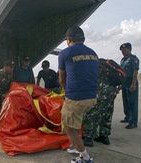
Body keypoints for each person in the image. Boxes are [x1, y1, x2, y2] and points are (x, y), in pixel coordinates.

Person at [58, 26, 98, 163]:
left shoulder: (64, 53)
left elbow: (61, 79)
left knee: (69, 129)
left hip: (76, 97)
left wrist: (66, 93)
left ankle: (85, 158)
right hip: (92, 97)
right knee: (76, 122)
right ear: (83, 39)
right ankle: (77, 145)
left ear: (68, 39)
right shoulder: (93, 53)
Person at [82, 59, 121, 147]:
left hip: (103, 92)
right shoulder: (103, 64)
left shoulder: (93, 66)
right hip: (112, 91)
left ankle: (88, 138)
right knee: (107, 113)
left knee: (93, 113)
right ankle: (104, 136)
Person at [119, 42, 139, 129]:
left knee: (132, 102)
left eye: (124, 49)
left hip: (131, 81)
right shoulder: (123, 60)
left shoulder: (133, 59)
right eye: (122, 50)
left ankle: (133, 122)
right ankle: (127, 117)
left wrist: (133, 83)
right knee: (125, 101)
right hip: (124, 82)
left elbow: (135, 71)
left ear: (129, 49)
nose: (123, 51)